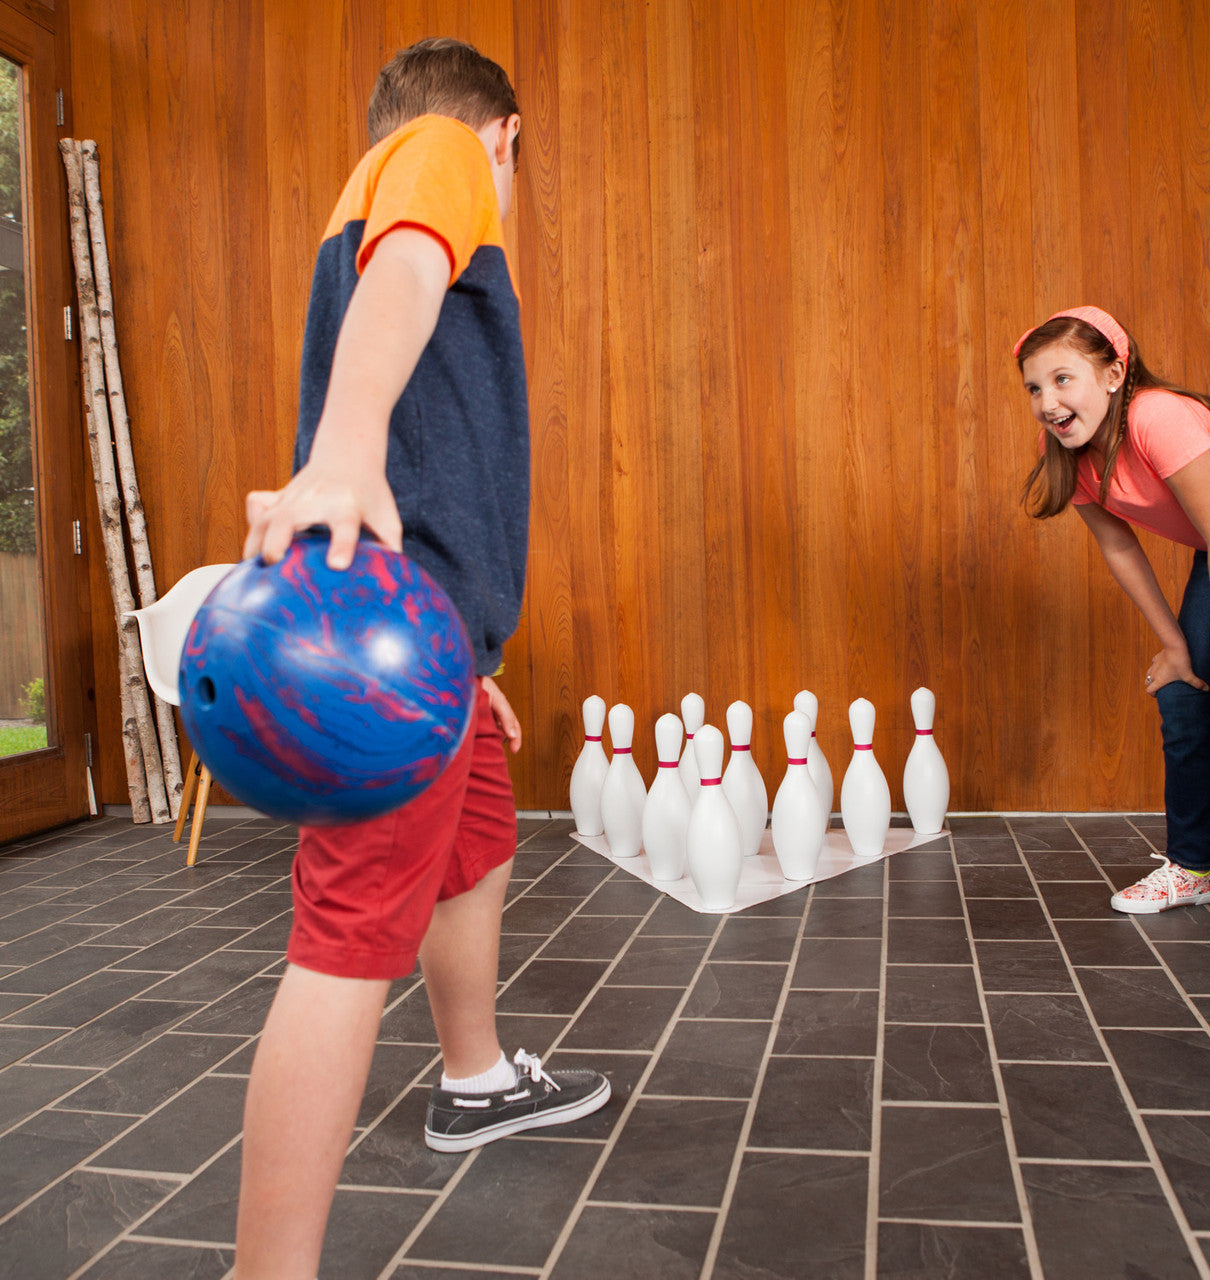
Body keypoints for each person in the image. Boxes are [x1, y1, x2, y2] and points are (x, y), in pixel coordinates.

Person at [232, 38, 609, 1280]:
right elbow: (405, 281)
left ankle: (475, 1074)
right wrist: (340, 454)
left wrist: (460, 639)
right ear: (507, 137)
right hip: (382, 652)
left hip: (423, 632)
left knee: (481, 830)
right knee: (346, 937)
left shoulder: (377, 185)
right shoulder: (442, 158)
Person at [1015, 306, 1210, 963]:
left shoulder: (1156, 415)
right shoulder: (1072, 456)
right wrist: (1175, 646)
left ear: (1113, 374)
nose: (1049, 402)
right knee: (1184, 696)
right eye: (1034, 388)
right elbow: (1122, 552)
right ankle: (1193, 868)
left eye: (1063, 380)